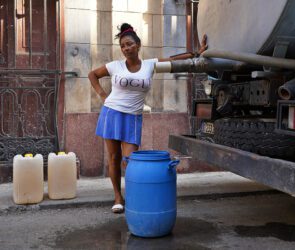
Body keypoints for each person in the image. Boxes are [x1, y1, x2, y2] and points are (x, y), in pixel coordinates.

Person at [88, 23, 208, 213]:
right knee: (113, 157)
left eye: (129, 44)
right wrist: (103, 96)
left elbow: (173, 60)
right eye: (123, 46)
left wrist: (196, 53)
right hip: (111, 113)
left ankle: (135, 197)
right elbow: (92, 74)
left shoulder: (150, 65)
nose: (126, 49)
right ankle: (118, 197)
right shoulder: (115, 66)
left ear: (138, 45)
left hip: (133, 117)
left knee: (130, 160)